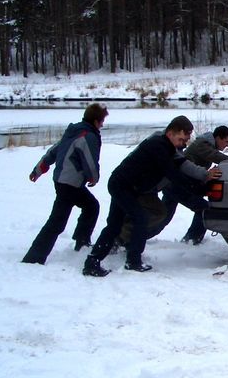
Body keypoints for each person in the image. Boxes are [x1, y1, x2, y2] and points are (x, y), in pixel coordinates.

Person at [83, 116, 213, 277]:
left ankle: (93, 262)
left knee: (116, 225)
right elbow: (173, 174)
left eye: (185, 140)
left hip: (128, 187)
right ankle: (132, 261)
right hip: (122, 186)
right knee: (138, 219)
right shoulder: (158, 146)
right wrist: (197, 191)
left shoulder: (168, 148)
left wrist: (202, 187)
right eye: (181, 139)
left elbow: (180, 167)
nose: (183, 144)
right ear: (171, 133)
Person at [22, 103, 109, 264]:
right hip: (70, 184)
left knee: (91, 206)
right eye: (102, 121)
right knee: (57, 221)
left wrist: (38, 170)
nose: (102, 125)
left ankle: (82, 242)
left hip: (62, 181)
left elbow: (53, 152)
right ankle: (34, 258)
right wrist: (93, 177)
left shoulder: (74, 131)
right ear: (95, 121)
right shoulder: (87, 136)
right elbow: (90, 161)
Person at [164, 125, 228, 244]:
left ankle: (136, 235)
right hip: (178, 185)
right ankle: (191, 241)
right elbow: (217, 157)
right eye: (226, 141)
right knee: (204, 210)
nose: (227, 145)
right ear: (218, 138)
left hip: (177, 184)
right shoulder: (203, 145)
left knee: (162, 217)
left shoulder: (206, 144)